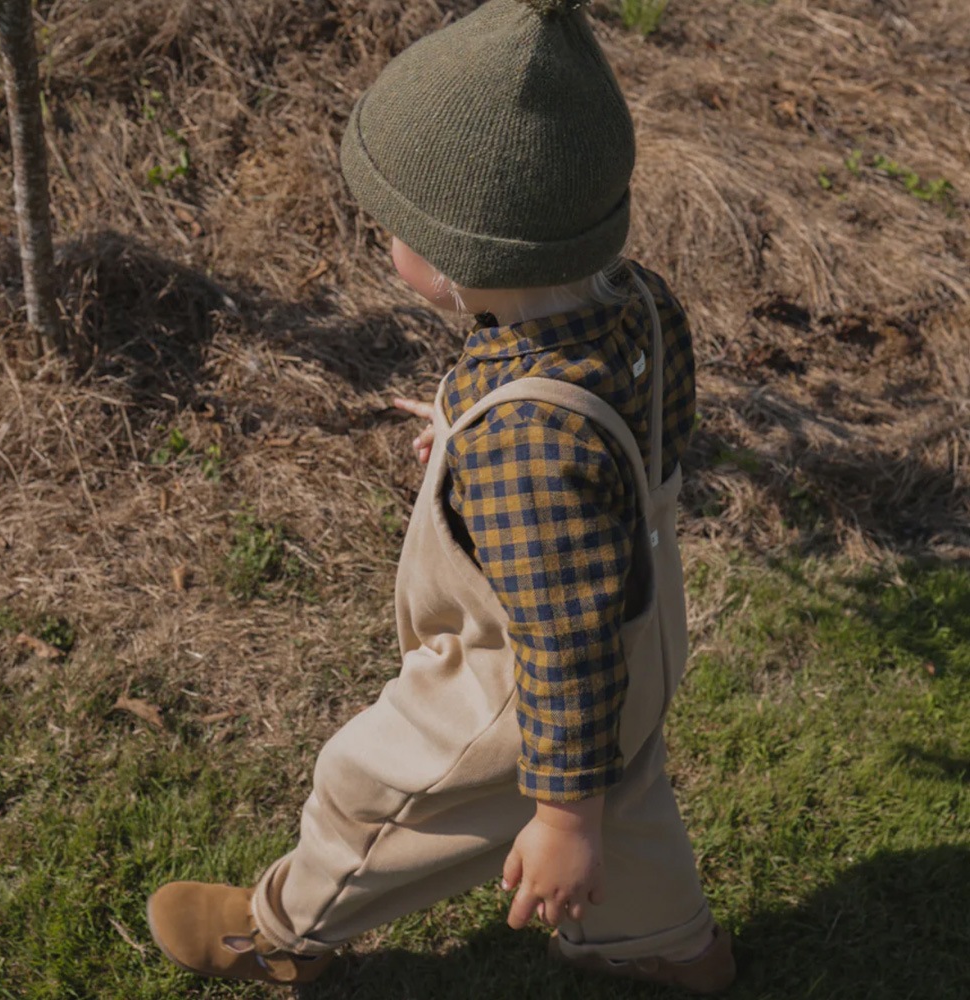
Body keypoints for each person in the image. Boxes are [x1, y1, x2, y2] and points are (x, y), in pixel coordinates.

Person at [146, 0, 735, 992]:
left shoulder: (528, 443)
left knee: (375, 790)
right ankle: (671, 947)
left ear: (463, 262)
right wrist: (468, 432)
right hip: (650, 629)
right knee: (626, 788)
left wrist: (557, 819)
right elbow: (630, 448)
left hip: (514, 687)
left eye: (395, 228)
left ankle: (283, 933)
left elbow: (562, 639)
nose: (386, 242)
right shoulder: (632, 302)